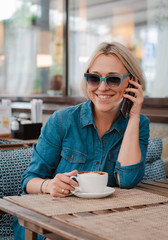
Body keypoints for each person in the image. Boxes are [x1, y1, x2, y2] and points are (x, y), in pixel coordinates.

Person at [12, 42, 150, 239]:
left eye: (113, 79)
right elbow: (28, 180)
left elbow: (127, 181)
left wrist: (134, 116)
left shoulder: (139, 124)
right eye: (94, 78)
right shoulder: (62, 121)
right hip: (47, 224)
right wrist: (50, 185)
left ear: (132, 82)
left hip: (101, 224)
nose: (102, 87)